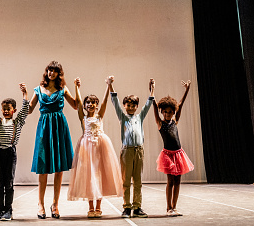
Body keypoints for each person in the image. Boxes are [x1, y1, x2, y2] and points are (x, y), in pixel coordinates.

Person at [28, 61, 78, 219]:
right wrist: (23, 96)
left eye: (55, 71)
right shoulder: (39, 89)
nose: (51, 73)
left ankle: (55, 204)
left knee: (59, 168)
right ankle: (40, 204)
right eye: (50, 70)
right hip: (44, 129)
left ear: (58, 73)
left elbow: (76, 106)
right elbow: (29, 109)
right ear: (46, 71)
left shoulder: (63, 89)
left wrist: (77, 87)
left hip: (58, 128)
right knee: (43, 168)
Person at [67, 76, 123, 218]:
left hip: (100, 148)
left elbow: (105, 102)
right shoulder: (83, 117)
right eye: (89, 102)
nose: (91, 104)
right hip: (86, 149)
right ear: (85, 105)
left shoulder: (99, 116)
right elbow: (78, 103)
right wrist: (77, 88)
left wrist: (108, 86)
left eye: (93, 102)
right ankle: (91, 207)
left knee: (99, 176)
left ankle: (98, 207)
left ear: (96, 106)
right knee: (89, 177)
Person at [0, 79, 30, 221]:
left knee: (9, 182)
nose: (6, 111)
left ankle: (8, 209)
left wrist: (25, 94)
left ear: (14, 110)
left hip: (10, 152)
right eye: (4, 109)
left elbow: (25, 110)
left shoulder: (17, 122)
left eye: (9, 109)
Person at [108, 76, 155, 218]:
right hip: (127, 151)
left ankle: (137, 207)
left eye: (133, 105)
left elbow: (148, 105)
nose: (131, 107)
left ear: (136, 106)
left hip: (139, 151)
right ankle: (127, 207)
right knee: (126, 180)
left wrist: (152, 89)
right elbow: (115, 102)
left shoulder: (139, 117)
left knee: (138, 181)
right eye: (128, 105)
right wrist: (110, 86)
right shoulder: (122, 117)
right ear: (125, 106)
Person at [153, 80, 194, 217]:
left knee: (178, 181)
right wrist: (152, 90)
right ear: (162, 111)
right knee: (170, 181)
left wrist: (187, 90)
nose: (168, 114)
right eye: (165, 112)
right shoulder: (160, 123)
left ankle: (175, 207)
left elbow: (180, 104)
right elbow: (154, 105)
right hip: (168, 155)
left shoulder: (175, 121)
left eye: (170, 112)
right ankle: (168, 208)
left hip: (179, 154)